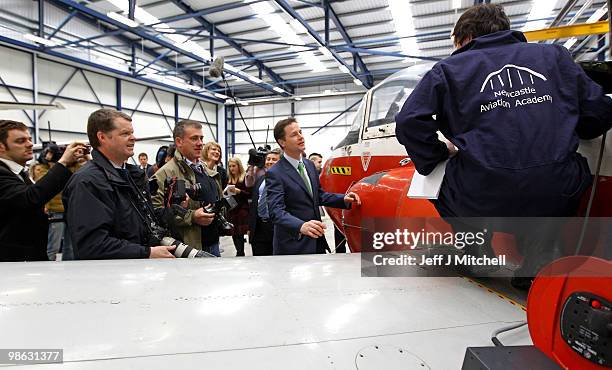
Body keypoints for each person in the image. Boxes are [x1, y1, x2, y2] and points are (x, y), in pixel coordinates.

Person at [395, 4, 612, 286]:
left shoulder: (448, 69)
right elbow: (601, 110)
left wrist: (435, 154)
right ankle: (539, 257)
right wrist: (576, 130)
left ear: (463, 39)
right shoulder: (554, 56)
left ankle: (475, 249)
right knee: (566, 170)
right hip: (555, 189)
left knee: (430, 176)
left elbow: (409, 121)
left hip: (482, 193)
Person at [63, 108, 176, 260]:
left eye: (132, 132)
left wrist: (174, 211)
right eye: (125, 134)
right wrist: (147, 253)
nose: (133, 138)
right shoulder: (87, 182)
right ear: (102, 137)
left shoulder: (130, 175)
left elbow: (140, 222)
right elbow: (92, 245)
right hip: (112, 276)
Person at [266, 117, 361, 255]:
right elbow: (276, 212)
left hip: (317, 241)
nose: (301, 137)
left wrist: (343, 199)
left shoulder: (309, 165)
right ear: (282, 142)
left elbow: (319, 195)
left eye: (300, 132)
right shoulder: (276, 173)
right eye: (294, 134)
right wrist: (301, 226)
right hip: (293, 246)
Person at [0, 120, 84, 262]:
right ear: (1, 146)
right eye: (20, 141)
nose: (30, 144)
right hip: (11, 261)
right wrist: (63, 163)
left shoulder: (19, 173)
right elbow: (30, 198)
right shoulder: (3, 173)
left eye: (29, 139)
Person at [152, 121, 217, 254]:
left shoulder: (205, 169)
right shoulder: (164, 174)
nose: (200, 143)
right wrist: (191, 216)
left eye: (201, 138)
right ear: (179, 141)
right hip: (189, 248)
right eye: (194, 138)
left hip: (214, 242)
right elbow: (155, 215)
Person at [248, 148, 281, 256]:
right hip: (259, 228)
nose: (270, 161)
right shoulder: (261, 179)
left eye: (274, 159)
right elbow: (254, 203)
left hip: (276, 226)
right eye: (268, 159)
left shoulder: (285, 179)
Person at [226, 157, 251, 256]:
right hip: (232, 209)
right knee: (234, 232)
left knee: (240, 233)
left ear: (239, 166)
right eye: (230, 166)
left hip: (242, 209)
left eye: (234, 166)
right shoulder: (229, 179)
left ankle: (240, 252)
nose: (232, 168)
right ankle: (238, 251)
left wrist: (239, 191)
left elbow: (250, 193)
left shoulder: (245, 178)